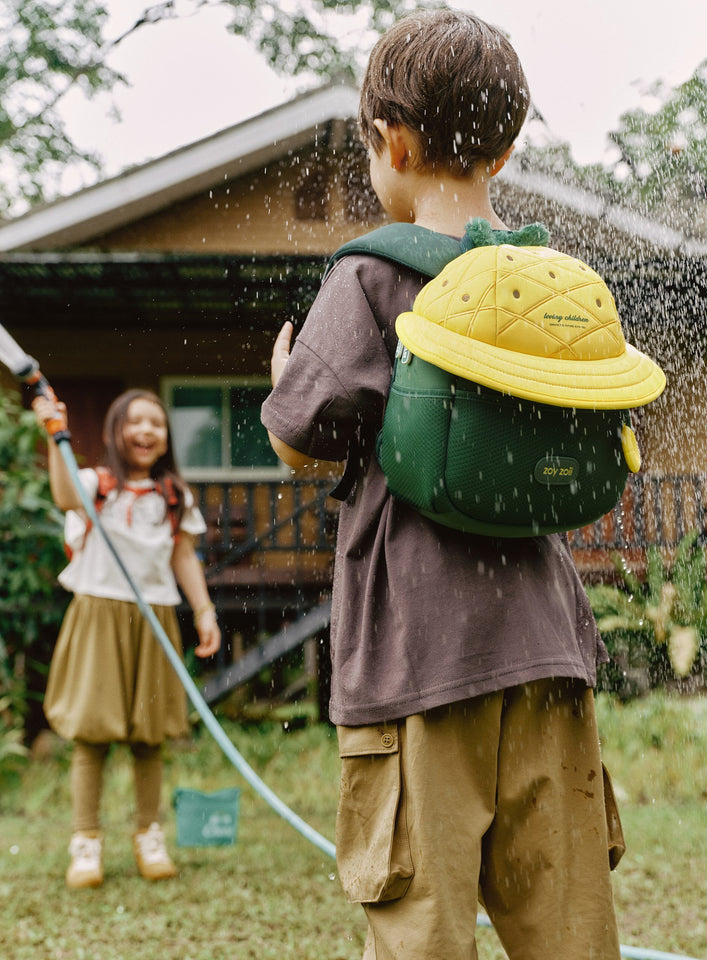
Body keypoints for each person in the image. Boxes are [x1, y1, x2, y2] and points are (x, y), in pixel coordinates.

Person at [261, 9, 624, 960]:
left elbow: (300, 441)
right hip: (547, 650)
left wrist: (277, 385)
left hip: (418, 664)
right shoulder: (551, 283)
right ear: (504, 150)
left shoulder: (375, 278)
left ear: (395, 140)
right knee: (569, 929)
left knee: (421, 928)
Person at [33, 388, 221, 890]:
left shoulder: (174, 496)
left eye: (156, 424)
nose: (145, 431)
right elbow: (64, 495)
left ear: (165, 438)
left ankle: (148, 835)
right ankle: (86, 844)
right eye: (135, 422)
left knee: (149, 736)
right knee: (92, 737)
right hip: (99, 614)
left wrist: (203, 611)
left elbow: (183, 557)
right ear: (116, 430)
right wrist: (56, 437)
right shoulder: (97, 483)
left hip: (155, 620)